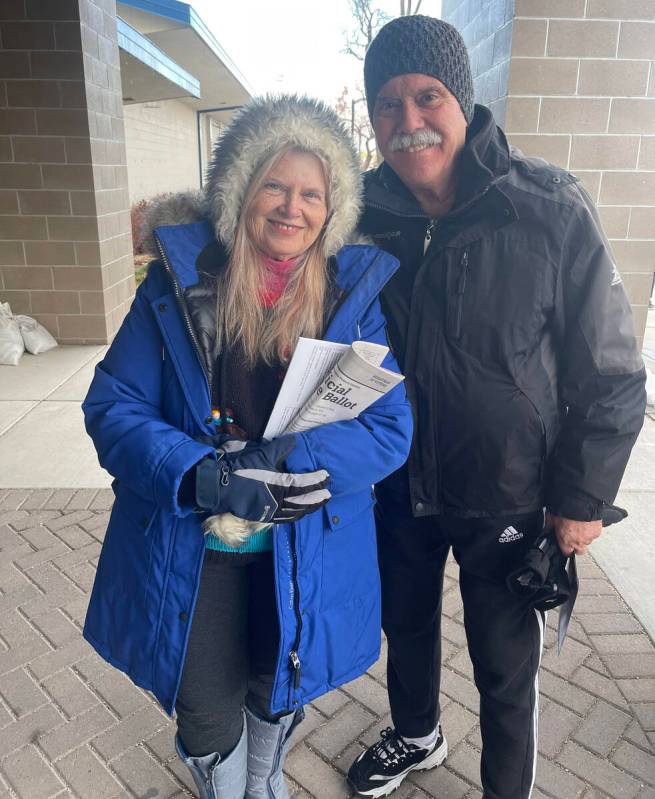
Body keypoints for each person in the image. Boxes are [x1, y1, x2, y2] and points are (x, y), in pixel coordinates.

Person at [347, 15, 647, 799]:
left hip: (505, 492)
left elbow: (610, 368)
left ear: (462, 100)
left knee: (503, 667)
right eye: (387, 105)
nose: (407, 122)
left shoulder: (545, 206)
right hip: (395, 484)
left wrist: (581, 497)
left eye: (427, 97)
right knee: (403, 627)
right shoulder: (362, 217)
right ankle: (416, 735)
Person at [82, 95, 413, 799]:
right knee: (202, 706)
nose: (291, 207)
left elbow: (388, 428)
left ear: (331, 209)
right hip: (192, 545)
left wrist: (280, 466)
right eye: (274, 185)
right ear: (239, 191)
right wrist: (199, 474)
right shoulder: (175, 285)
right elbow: (113, 406)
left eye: (310, 193)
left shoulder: (352, 296)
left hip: (305, 545)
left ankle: (263, 782)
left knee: (277, 685)